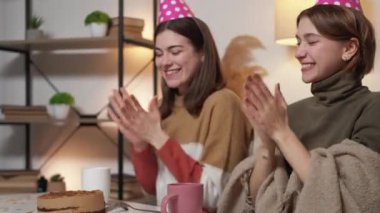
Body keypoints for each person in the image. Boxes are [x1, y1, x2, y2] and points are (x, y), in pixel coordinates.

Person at [218, 0, 380, 212]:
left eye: (311, 42)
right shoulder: (290, 113)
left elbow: (352, 198)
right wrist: (267, 142)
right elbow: (256, 201)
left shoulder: (373, 107)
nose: (299, 52)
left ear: (349, 48)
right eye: (298, 42)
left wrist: (281, 133)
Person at [108, 0, 253, 211]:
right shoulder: (164, 110)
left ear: (202, 53)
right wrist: (140, 145)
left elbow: (214, 196)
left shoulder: (223, 103)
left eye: (175, 51)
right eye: (158, 54)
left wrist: (158, 138)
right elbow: (152, 189)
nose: (164, 62)